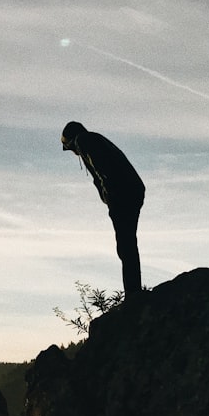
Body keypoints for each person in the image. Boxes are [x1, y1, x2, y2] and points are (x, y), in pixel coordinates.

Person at [61, 121, 145, 297]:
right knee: (128, 243)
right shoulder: (94, 139)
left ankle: (133, 294)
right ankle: (134, 291)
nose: (72, 152)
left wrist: (110, 196)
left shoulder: (83, 141)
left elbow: (103, 169)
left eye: (68, 147)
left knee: (125, 244)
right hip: (132, 191)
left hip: (123, 194)